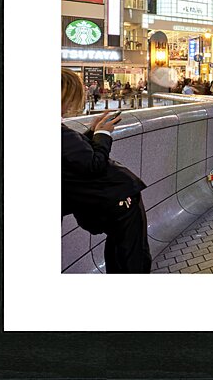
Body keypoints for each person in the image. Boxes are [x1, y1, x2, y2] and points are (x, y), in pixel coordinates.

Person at [61, 69, 151, 273]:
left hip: (109, 203)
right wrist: (102, 134)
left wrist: (92, 132)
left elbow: (75, 157)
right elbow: (94, 165)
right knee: (132, 258)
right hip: (118, 202)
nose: (68, 105)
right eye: (68, 99)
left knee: (119, 253)